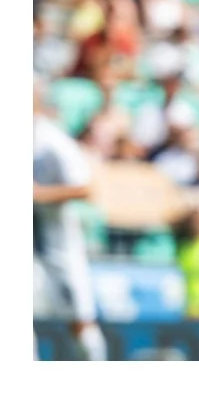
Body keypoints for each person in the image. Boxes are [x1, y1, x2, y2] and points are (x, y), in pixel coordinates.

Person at [33, 83, 106, 361]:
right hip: (29, 248)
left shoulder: (53, 142)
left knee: (80, 321)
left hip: (58, 245)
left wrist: (40, 195)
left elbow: (86, 188)